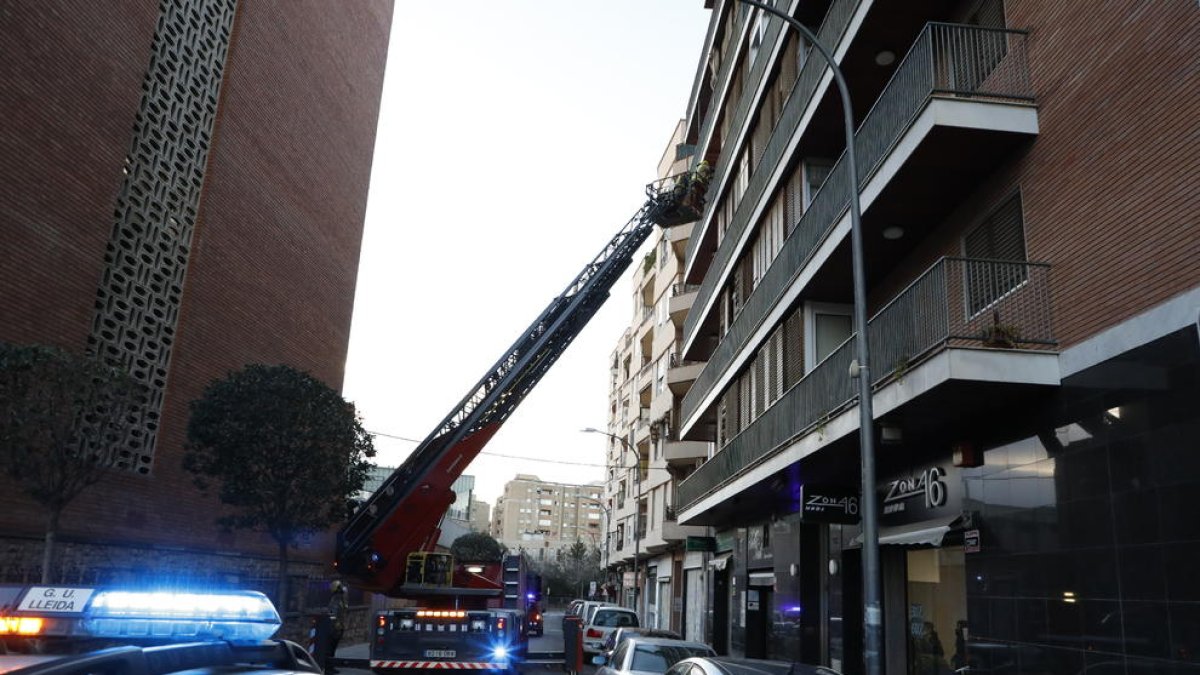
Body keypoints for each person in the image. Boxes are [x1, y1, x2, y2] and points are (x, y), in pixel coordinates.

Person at [326, 580, 348, 673]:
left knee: (333, 649)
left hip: (339, 628)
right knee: (330, 649)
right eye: (340, 587)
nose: (342, 589)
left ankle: (331, 666)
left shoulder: (340, 599)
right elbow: (331, 614)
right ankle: (328, 668)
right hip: (334, 629)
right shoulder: (335, 600)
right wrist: (336, 624)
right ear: (337, 589)